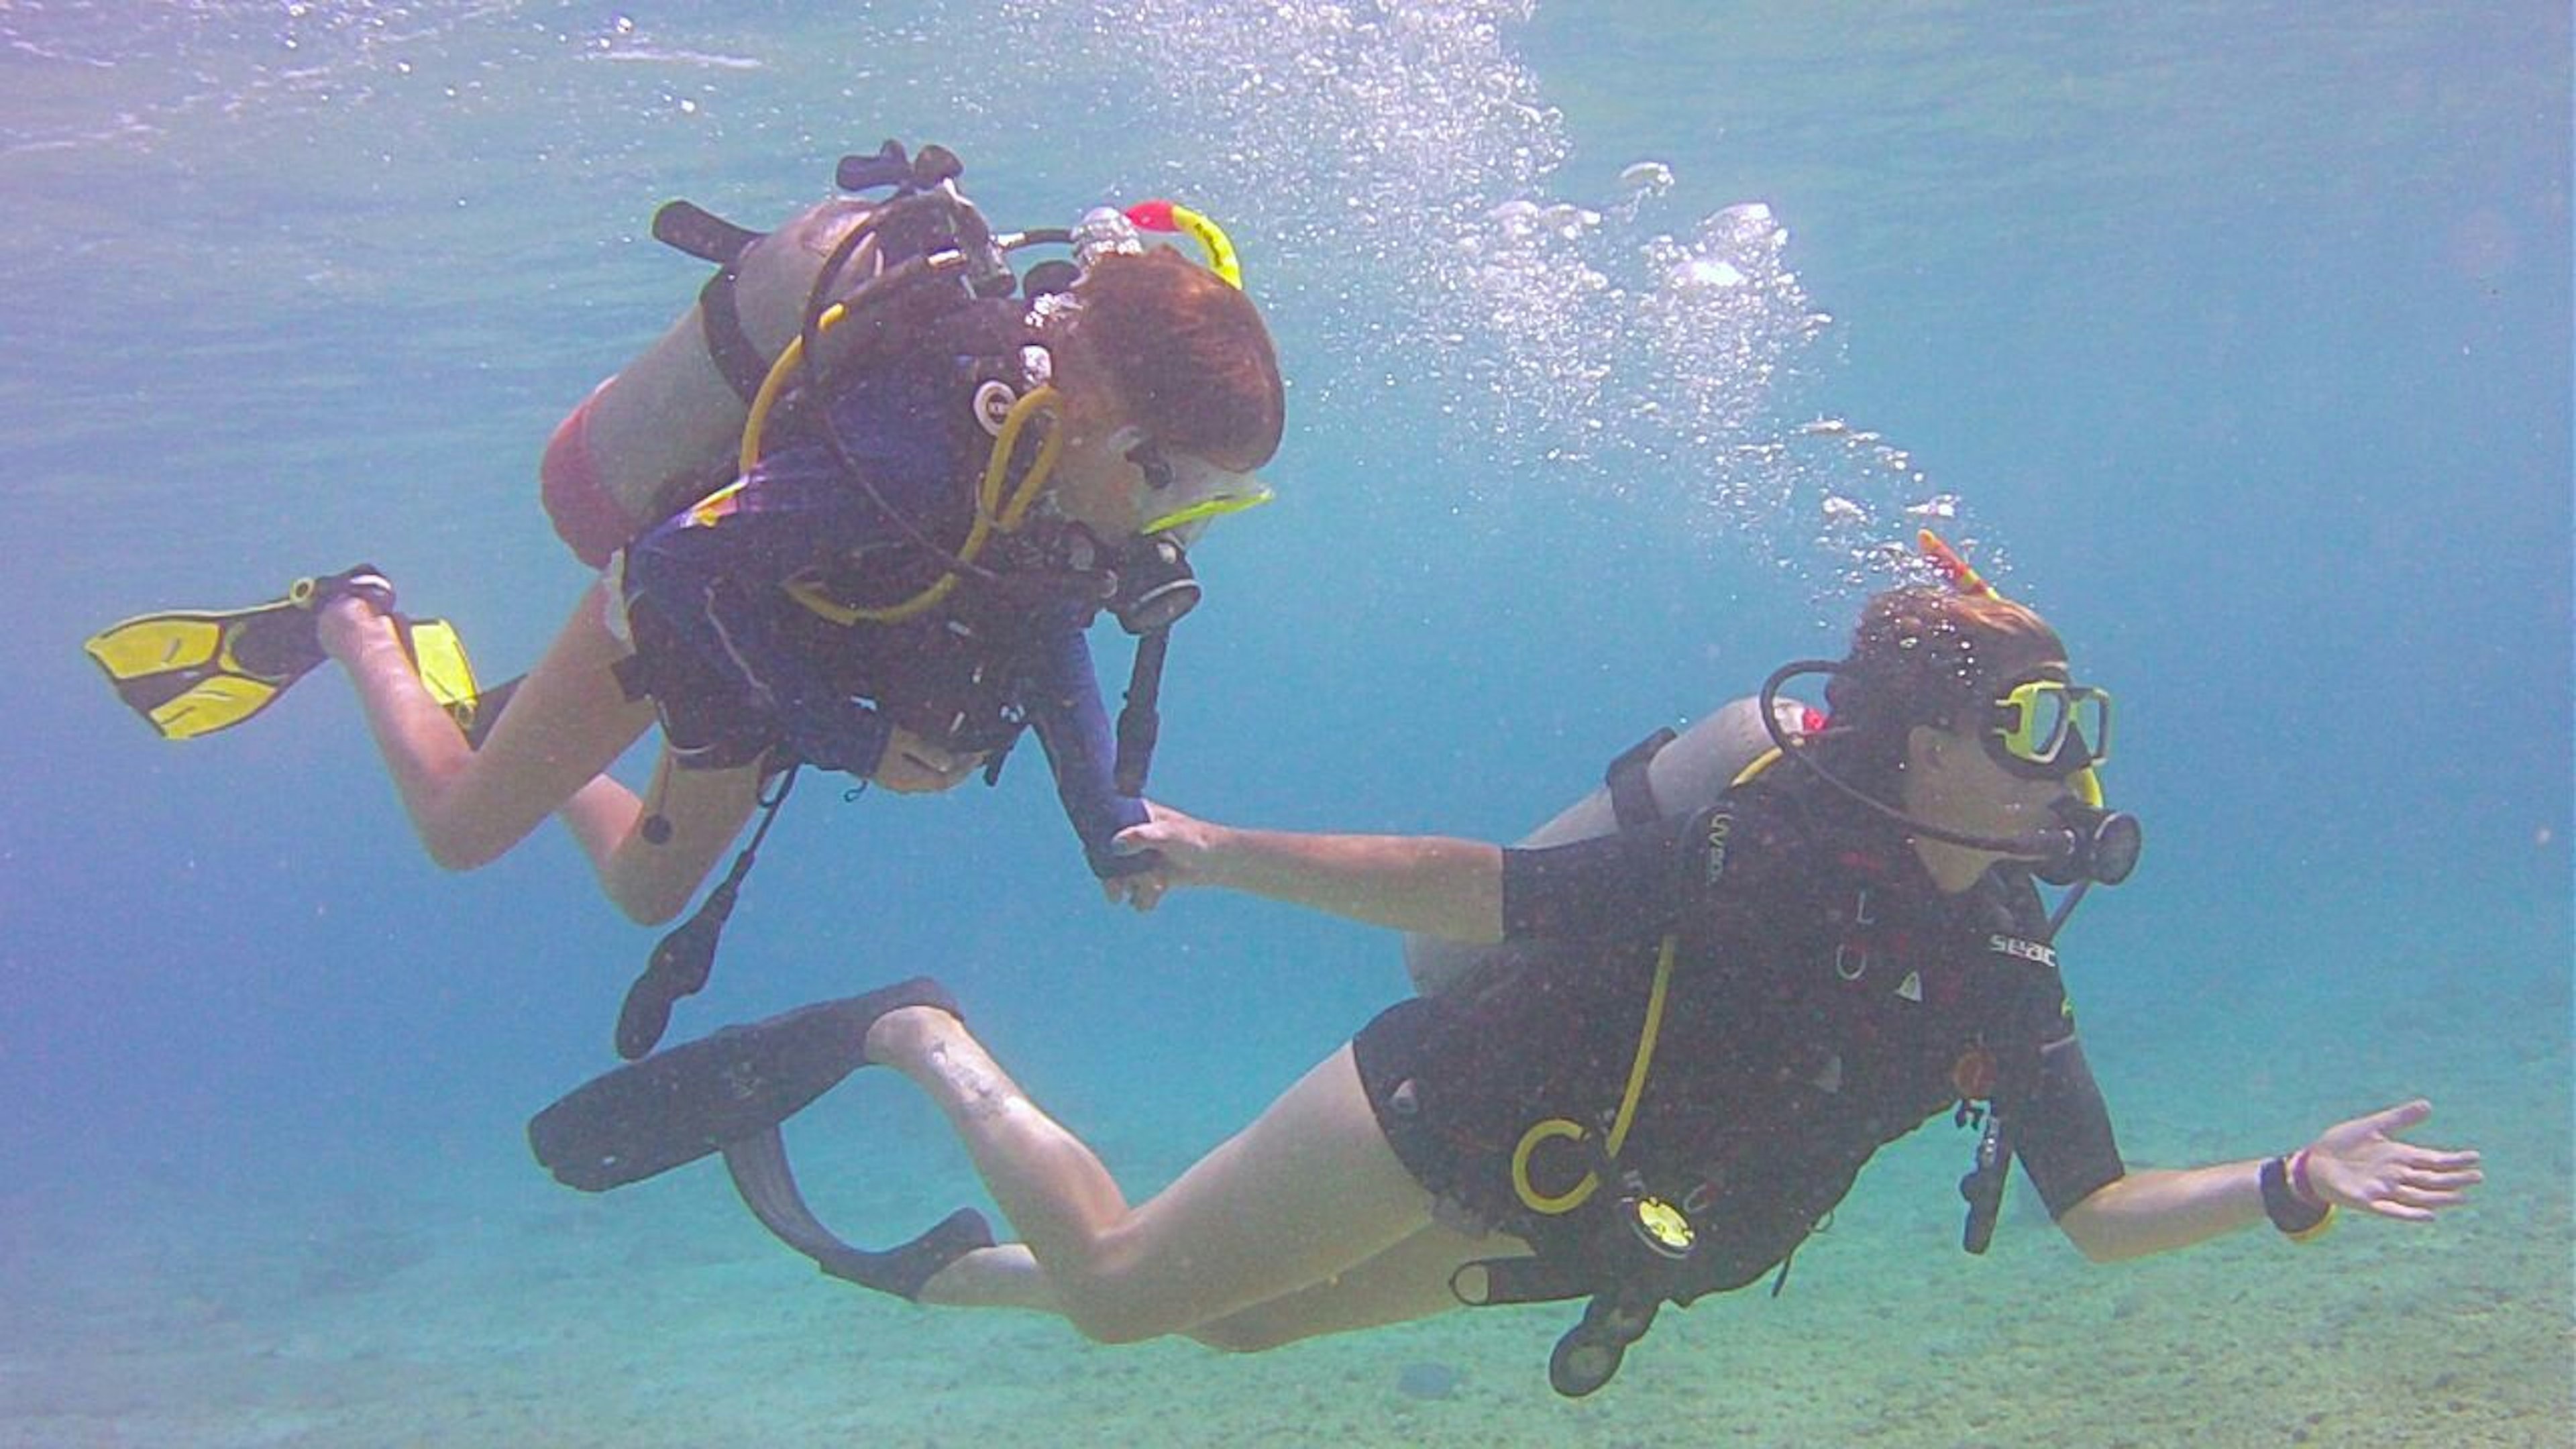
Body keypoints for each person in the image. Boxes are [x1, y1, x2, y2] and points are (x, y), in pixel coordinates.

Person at [525, 573, 2481, 1394]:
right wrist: (1209, 850)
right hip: (1449, 1107)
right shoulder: (1768, 846)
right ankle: (917, 1035)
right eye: (2034, 720)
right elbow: (1487, 889)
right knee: (1132, 1304)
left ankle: (952, 1259)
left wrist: (2289, 1187)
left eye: (2085, 720)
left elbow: (2102, 1211)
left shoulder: (2000, 955)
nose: (2073, 759)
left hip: (1586, 1224)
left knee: (1235, 1337)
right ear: (1917, 744)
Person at [85, 143, 1285, 1055]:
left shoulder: (1059, 483)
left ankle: (512, 730)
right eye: (1180, 478)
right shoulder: (928, 445)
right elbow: (676, 566)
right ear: (1100, 415)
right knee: (460, 833)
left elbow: (1049, 633)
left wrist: (1103, 816)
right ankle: (355, 616)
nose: (1178, 516)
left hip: (789, 651)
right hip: (680, 615)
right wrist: (854, 734)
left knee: (646, 892)